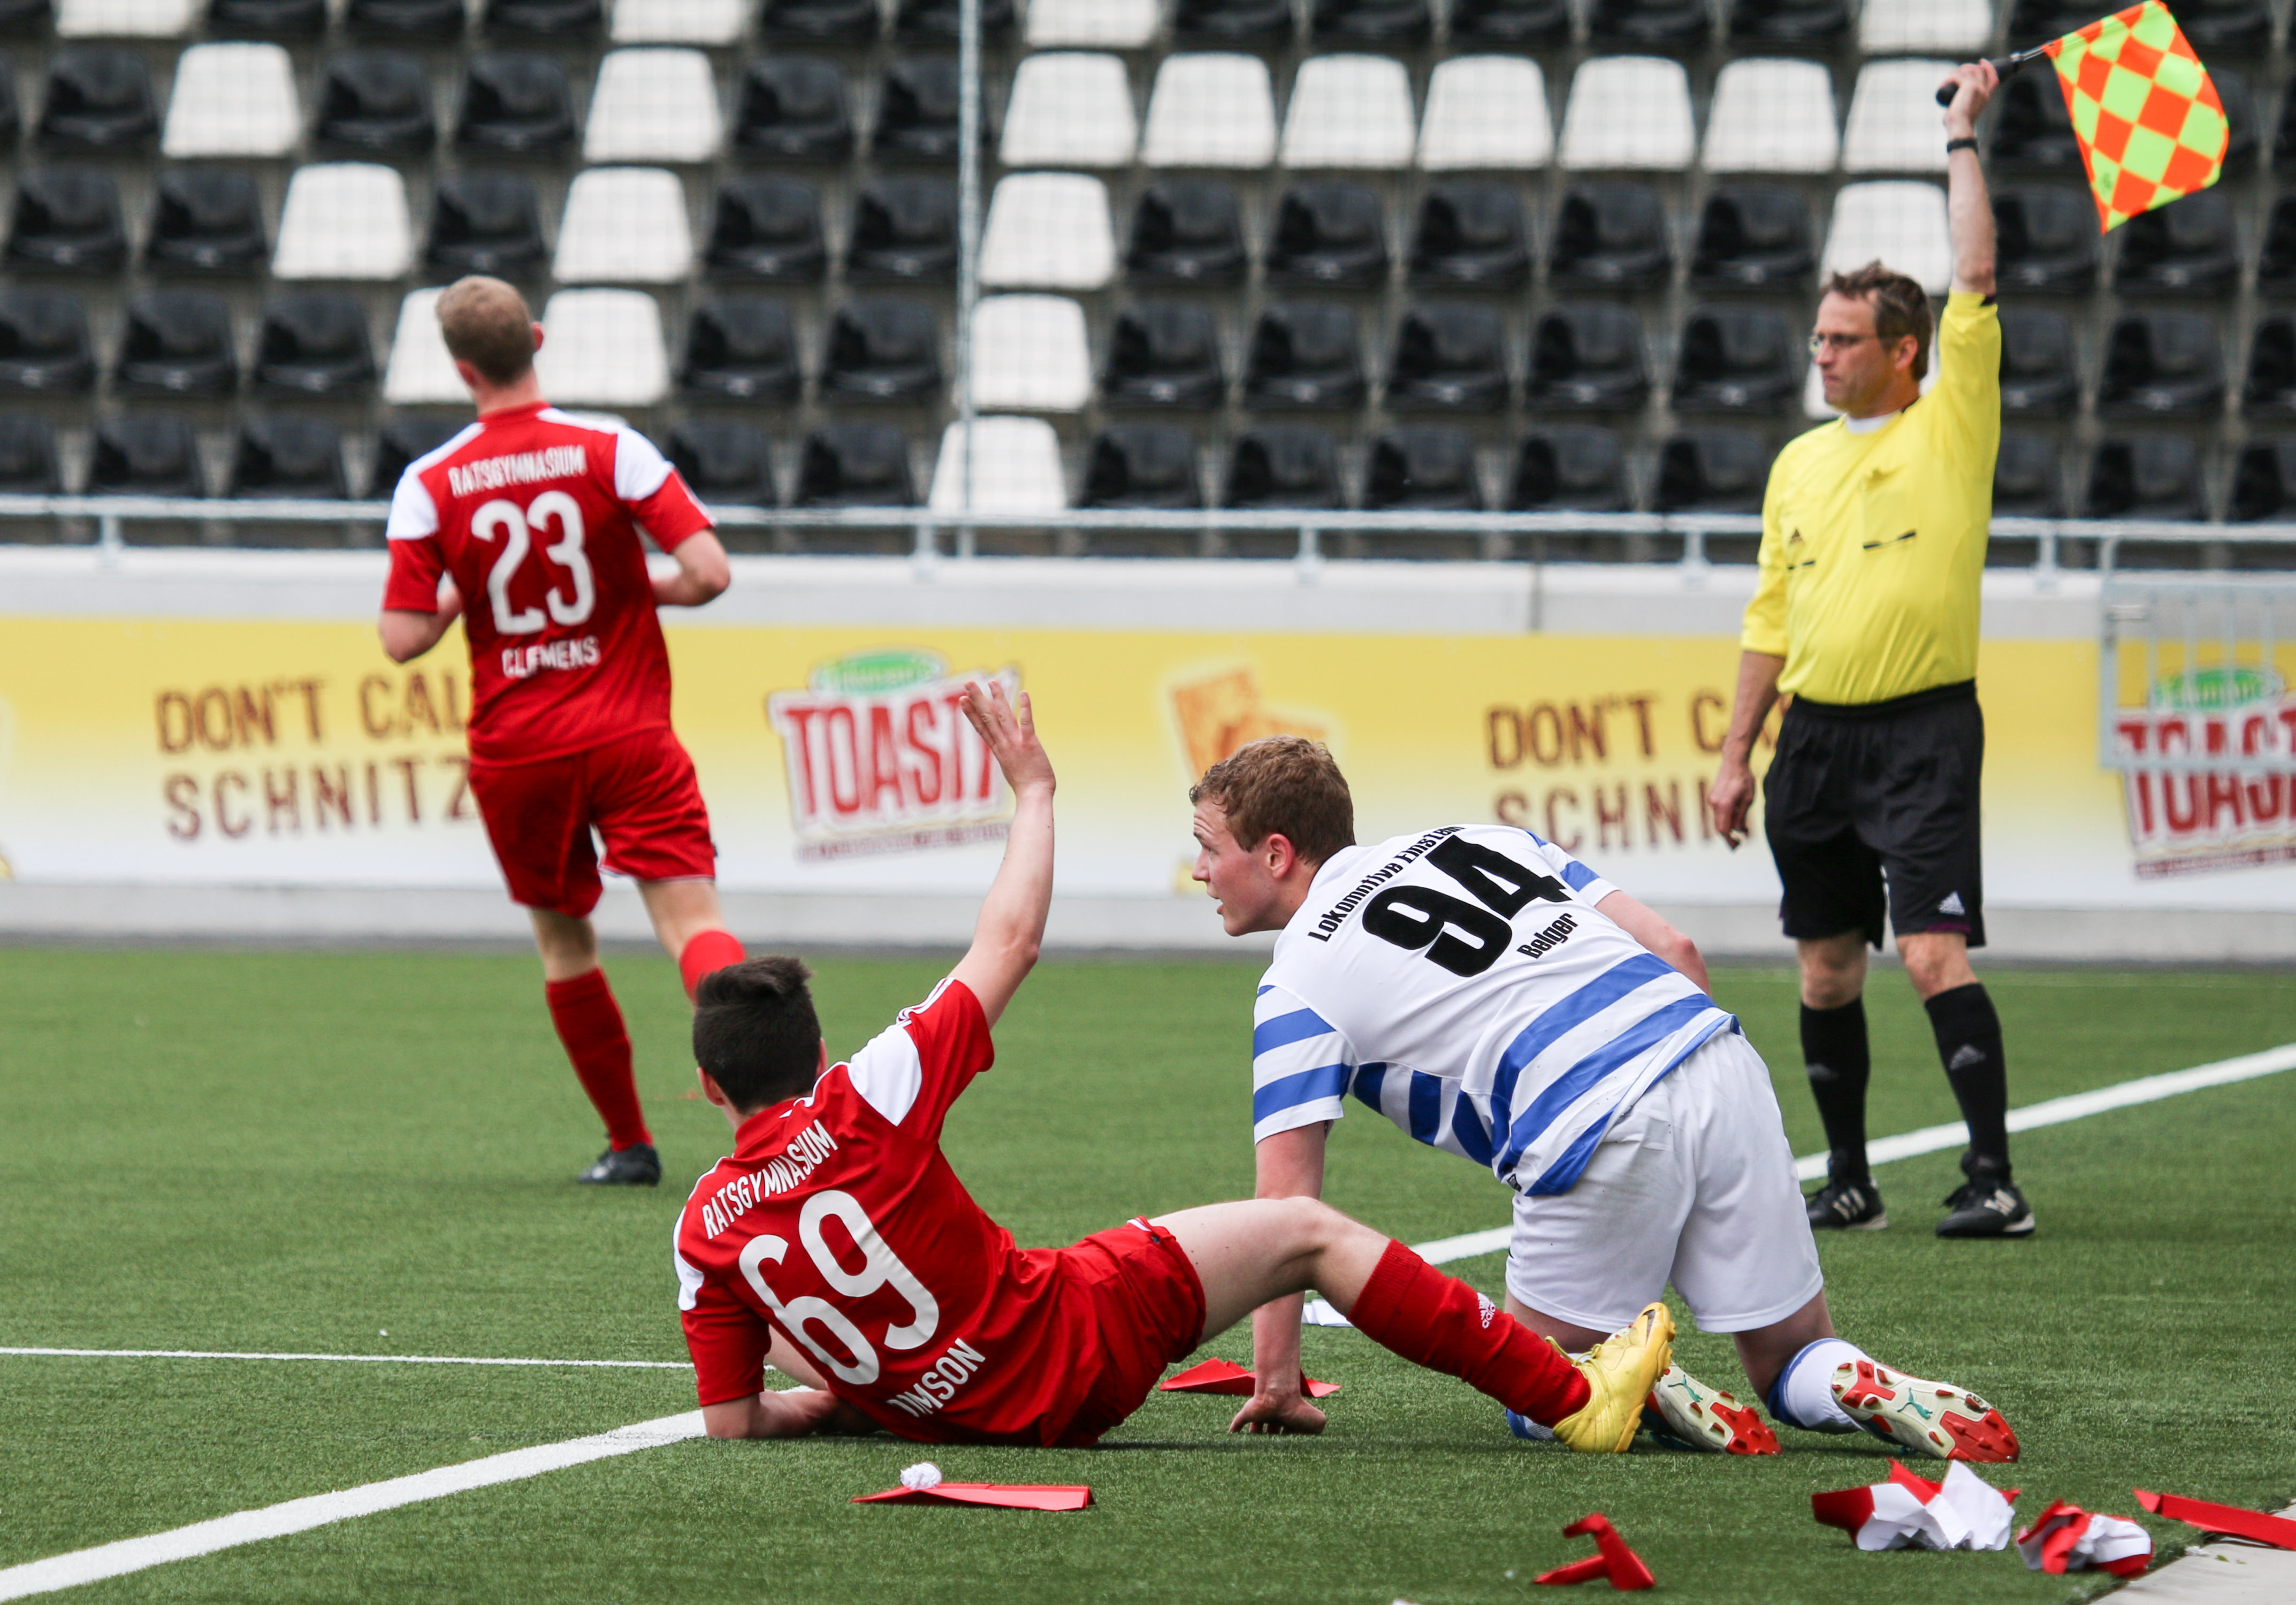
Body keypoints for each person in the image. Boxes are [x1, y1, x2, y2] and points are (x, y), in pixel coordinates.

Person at [675, 683, 1670, 1455]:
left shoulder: (701, 1231)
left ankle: (892, 1385)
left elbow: (734, 1423)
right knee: (1306, 1231)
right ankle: (1572, 1396)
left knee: (785, 1317)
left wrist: (842, 1402)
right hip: (1078, 1344)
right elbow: (1010, 941)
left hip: (953, 1414)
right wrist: (1034, 792)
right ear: (817, 1055)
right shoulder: (862, 1097)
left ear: (711, 1087)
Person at [1189, 735, 2018, 1463]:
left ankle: (1638, 1387)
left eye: (1208, 848)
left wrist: (1276, 1382)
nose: (1198, 872)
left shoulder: (1296, 981)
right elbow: (1677, 948)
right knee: (1789, 1356)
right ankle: (1851, 1378)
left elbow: (1285, 1211)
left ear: (1276, 854)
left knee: (1536, 1385)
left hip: (1589, 1117)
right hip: (1716, 1056)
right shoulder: (1483, 837)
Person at [1705, 61, 2030, 1241]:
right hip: (1815, 743)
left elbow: (1976, 272)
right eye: (1818, 338)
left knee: (1932, 954)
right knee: (1825, 970)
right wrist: (1736, 755)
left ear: (1906, 352)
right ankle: (1849, 1178)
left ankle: (1994, 1179)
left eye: (1845, 340)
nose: (1824, 355)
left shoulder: (1951, 424)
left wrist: (1961, 134)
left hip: (1923, 732)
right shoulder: (1799, 462)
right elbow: (1770, 620)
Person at [377, 276, 749, 1187]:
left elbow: (401, 638)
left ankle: (629, 1147)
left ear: (462, 371)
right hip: (630, 734)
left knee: (566, 946)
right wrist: (632, 583)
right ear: (536, 340)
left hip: (520, 752)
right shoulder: (612, 449)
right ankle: (781, 1121)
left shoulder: (429, 483)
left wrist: (468, 589)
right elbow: (709, 573)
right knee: (694, 927)